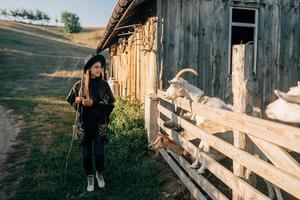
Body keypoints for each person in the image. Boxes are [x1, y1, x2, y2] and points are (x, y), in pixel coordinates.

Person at [66, 53, 115, 192]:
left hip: (100, 126)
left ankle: (99, 174)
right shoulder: (79, 85)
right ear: (88, 68)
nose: (100, 70)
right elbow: (72, 101)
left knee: (99, 153)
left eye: (101, 67)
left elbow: (109, 105)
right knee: (86, 154)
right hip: (84, 126)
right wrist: (77, 103)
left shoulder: (104, 86)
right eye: (96, 67)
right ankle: (89, 176)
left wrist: (93, 103)